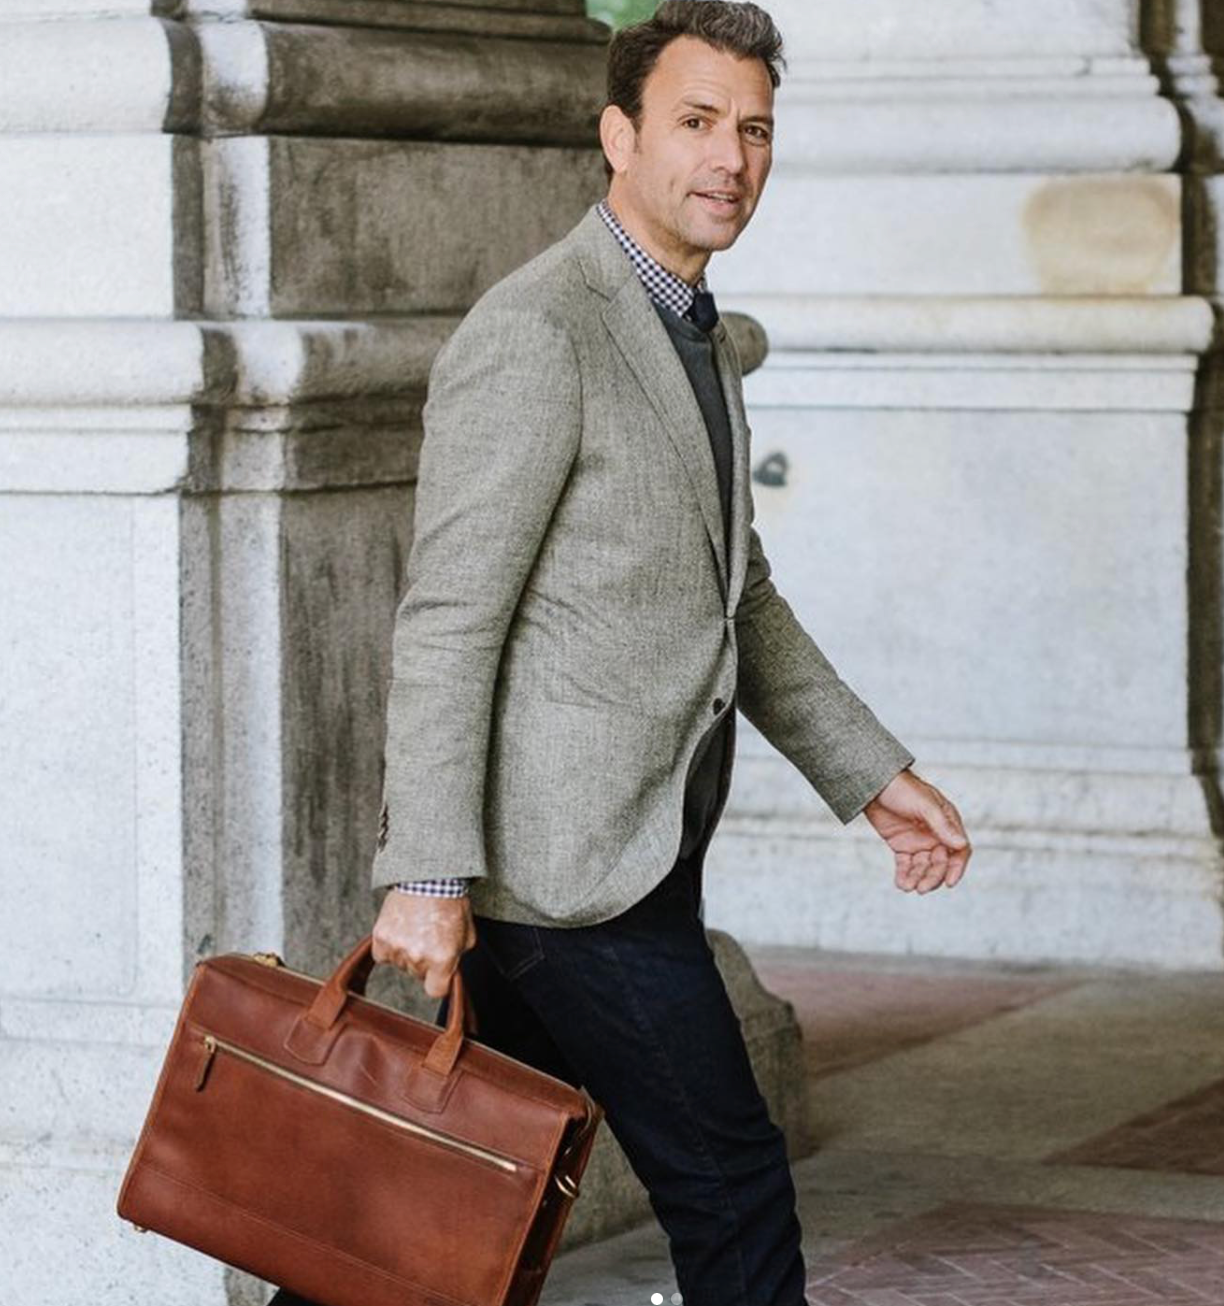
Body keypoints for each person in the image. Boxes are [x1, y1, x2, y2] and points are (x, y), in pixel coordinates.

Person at [272, 4, 971, 1303]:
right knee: (731, 1179)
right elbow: (448, 615)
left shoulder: (690, 331)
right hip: (566, 881)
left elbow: (734, 597)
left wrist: (872, 771)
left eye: (755, 130)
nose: (732, 158)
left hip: (629, 844)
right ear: (618, 135)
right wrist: (423, 871)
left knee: (430, 1190)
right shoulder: (545, 331)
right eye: (697, 122)